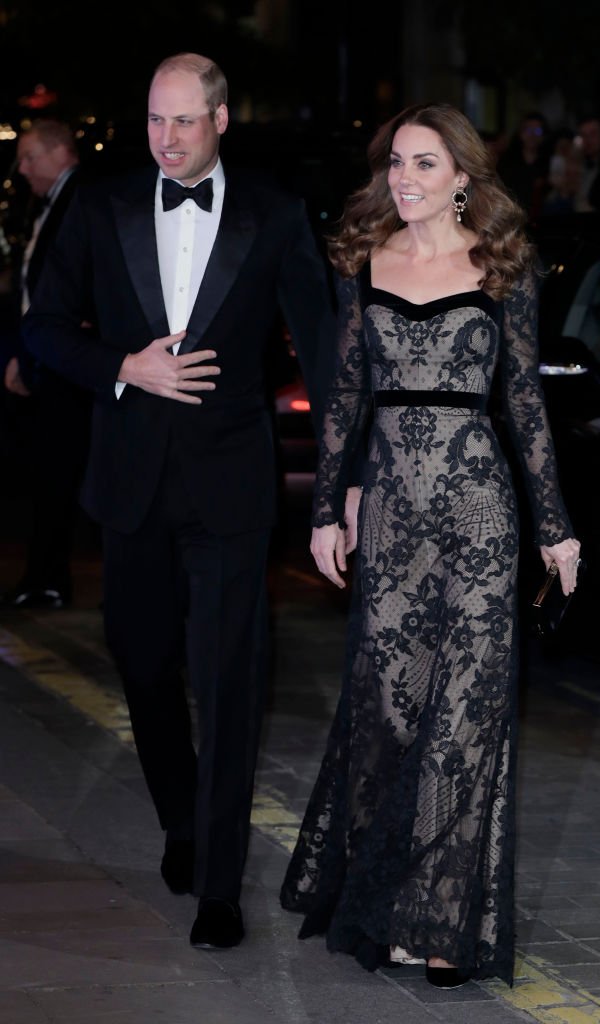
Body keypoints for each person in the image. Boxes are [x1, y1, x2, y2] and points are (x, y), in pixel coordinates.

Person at [23, 53, 337, 950]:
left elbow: (322, 350)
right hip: (130, 485)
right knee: (144, 663)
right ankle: (181, 818)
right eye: (155, 122)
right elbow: (44, 327)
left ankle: (220, 887)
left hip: (231, 486)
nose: (165, 140)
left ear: (222, 119)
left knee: (230, 680)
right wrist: (124, 365)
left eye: (184, 122)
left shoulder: (274, 215)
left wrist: (350, 478)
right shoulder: (104, 204)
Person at [280, 102, 581, 989]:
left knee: (467, 720)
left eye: (423, 164)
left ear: (462, 178)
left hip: (481, 515)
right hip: (396, 523)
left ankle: (444, 922)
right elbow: (344, 398)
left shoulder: (502, 267)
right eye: (397, 164)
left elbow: (524, 401)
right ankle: (392, 901)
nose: (404, 179)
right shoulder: (364, 261)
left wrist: (556, 526)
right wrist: (328, 511)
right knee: (393, 711)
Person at [2, 119, 92, 608]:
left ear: (59, 152)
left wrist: (87, 323)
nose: (22, 168)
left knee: (61, 472)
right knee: (49, 471)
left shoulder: (84, 196)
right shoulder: (52, 201)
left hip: (71, 361)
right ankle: (44, 576)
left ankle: (49, 579)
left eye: (29, 156)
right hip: (49, 354)